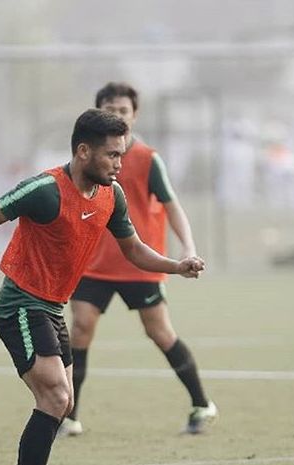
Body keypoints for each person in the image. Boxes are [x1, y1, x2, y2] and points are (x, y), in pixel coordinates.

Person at [0, 108, 205, 465]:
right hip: (19, 306)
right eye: (112, 155)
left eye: (121, 154)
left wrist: (177, 266)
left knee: (62, 402)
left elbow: (133, 250)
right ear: (84, 152)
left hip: (53, 308)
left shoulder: (110, 196)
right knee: (57, 397)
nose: (119, 163)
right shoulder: (44, 190)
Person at [59, 83, 217, 437]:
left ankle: (201, 404)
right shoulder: (85, 158)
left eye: (123, 111)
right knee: (80, 328)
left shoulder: (147, 159)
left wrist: (187, 248)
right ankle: (69, 415)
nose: (117, 115)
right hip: (94, 264)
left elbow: (173, 206)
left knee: (159, 332)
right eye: (110, 109)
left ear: (134, 115)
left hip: (140, 263)